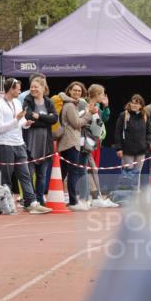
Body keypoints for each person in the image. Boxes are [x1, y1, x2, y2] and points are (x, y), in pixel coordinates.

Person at [0, 78, 50, 214]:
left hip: (19, 144)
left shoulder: (18, 103)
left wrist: (26, 123)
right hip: (5, 144)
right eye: (18, 88)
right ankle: (6, 205)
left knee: (25, 175)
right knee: (7, 176)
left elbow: (21, 122)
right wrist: (17, 120)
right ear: (11, 89)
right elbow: (0, 129)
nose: (20, 91)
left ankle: (32, 203)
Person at [57, 81, 95, 210]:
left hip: (68, 142)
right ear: (69, 91)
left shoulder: (71, 104)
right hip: (71, 142)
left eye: (79, 91)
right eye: (74, 90)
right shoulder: (70, 105)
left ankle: (53, 195)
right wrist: (89, 114)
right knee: (72, 172)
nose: (77, 92)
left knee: (62, 172)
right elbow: (77, 123)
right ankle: (73, 201)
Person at [22, 75, 58, 206]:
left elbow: (54, 119)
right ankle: (30, 201)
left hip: (45, 144)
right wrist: (45, 119)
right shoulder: (27, 100)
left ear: (43, 88)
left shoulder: (49, 102)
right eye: (31, 87)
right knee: (29, 174)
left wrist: (40, 116)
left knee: (42, 175)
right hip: (30, 143)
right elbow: (28, 116)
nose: (33, 89)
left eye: (36, 87)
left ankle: (40, 199)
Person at [80, 84, 117, 208]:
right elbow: (81, 121)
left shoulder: (97, 106)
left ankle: (96, 196)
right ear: (95, 94)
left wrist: (106, 107)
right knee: (87, 169)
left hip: (93, 142)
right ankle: (95, 197)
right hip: (84, 141)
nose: (103, 96)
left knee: (91, 169)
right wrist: (89, 113)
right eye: (102, 94)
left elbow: (104, 119)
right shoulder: (84, 104)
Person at [115, 94, 151, 188]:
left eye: (137, 103)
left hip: (141, 151)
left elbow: (149, 132)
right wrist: (119, 148)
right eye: (133, 103)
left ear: (141, 106)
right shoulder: (124, 115)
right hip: (127, 151)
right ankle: (126, 196)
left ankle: (135, 196)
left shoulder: (145, 116)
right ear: (130, 103)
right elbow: (117, 133)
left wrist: (146, 145)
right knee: (127, 174)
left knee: (137, 174)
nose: (134, 105)